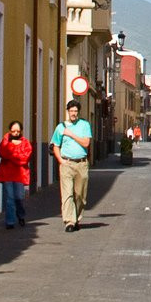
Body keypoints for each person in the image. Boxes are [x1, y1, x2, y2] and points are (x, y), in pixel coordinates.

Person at [50, 99, 92, 233]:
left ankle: (77, 218)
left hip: (81, 163)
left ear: (78, 112)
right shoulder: (60, 127)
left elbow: (86, 143)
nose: (73, 113)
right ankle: (69, 221)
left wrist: (72, 134)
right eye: (71, 111)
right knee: (67, 194)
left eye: (75, 111)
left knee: (80, 195)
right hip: (67, 164)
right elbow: (55, 146)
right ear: (67, 112)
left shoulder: (84, 125)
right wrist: (61, 161)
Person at [0, 120, 32, 229]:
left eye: (18, 131)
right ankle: (10, 221)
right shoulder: (5, 141)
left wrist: (11, 156)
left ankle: (20, 215)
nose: (16, 133)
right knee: (9, 198)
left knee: (19, 197)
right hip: (7, 174)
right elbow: (2, 152)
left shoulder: (25, 143)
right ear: (10, 131)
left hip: (20, 175)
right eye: (13, 131)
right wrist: (12, 150)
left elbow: (24, 158)